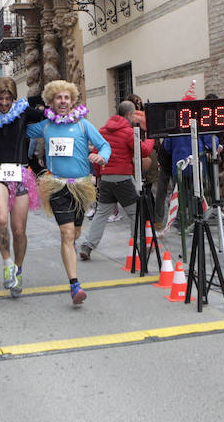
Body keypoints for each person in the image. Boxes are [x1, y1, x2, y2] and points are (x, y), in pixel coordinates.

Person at [27, 80, 111, 305]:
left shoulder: (83, 125)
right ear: (51, 101)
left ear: (72, 100)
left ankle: (71, 248)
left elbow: (105, 145)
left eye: (66, 98)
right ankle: (75, 285)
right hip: (56, 186)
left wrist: (101, 156)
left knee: (74, 233)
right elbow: (20, 130)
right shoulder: (45, 126)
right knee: (66, 234)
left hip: (81, 187)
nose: (62, 101)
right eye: (58, 98)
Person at [0, 77, 44, 297]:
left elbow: (48, 113)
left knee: (19, 229)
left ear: (13, 97)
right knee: (1, 219)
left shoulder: (24, 112)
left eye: (7, 98)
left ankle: (19, 271)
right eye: (0, 99)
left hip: (21, 173)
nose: (4, 103)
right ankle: (7, 264)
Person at [80, 101, 153, 260]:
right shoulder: (128, 132)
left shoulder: (103, 130)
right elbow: (145, 151)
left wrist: (99, 177)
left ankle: (87, 245)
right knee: (135, 213)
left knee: (101, 214)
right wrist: (150, 136)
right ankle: (141, 246)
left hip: (106, 178)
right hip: (123, 179)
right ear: (130, 115)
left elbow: (98, 155)